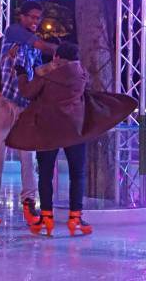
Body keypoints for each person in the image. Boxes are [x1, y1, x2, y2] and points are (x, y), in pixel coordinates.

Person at [0, 0, 57, 229]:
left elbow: (36, 72)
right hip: (3, 102)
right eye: (31, 17)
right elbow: (44, 47)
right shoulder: (13, 32)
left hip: (24, 105)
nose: (35, 22)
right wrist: (60, 50)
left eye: (37, 19)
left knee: (28, 157)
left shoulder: (33, 45)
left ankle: (29, 201)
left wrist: (56, 67)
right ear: (21, 17)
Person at [13, 42, 91, 236]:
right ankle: (75, 217)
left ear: (56, 58)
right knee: (77, 174)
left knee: (46, 174)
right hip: (75, 130)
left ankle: (46, 217)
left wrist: (22, 74)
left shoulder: (47, 76)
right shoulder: (82, 75)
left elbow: (28, 92)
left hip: (48, 130)